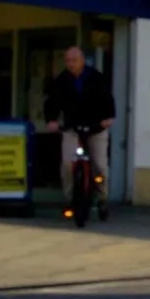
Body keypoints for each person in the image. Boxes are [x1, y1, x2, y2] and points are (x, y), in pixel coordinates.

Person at [42, 46, 115, 214]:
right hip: (72, 127)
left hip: (96, 126)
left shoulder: (95, 77)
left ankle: (102, 197)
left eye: (74, 60)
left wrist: (108, 118)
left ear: (82, 61)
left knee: (100, 164)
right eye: (67, 61)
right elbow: (52, 101)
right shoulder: (62, 80)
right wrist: (51, 120)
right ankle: (70, 199)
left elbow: (107, 98)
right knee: (68, 163)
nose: (70, 64)